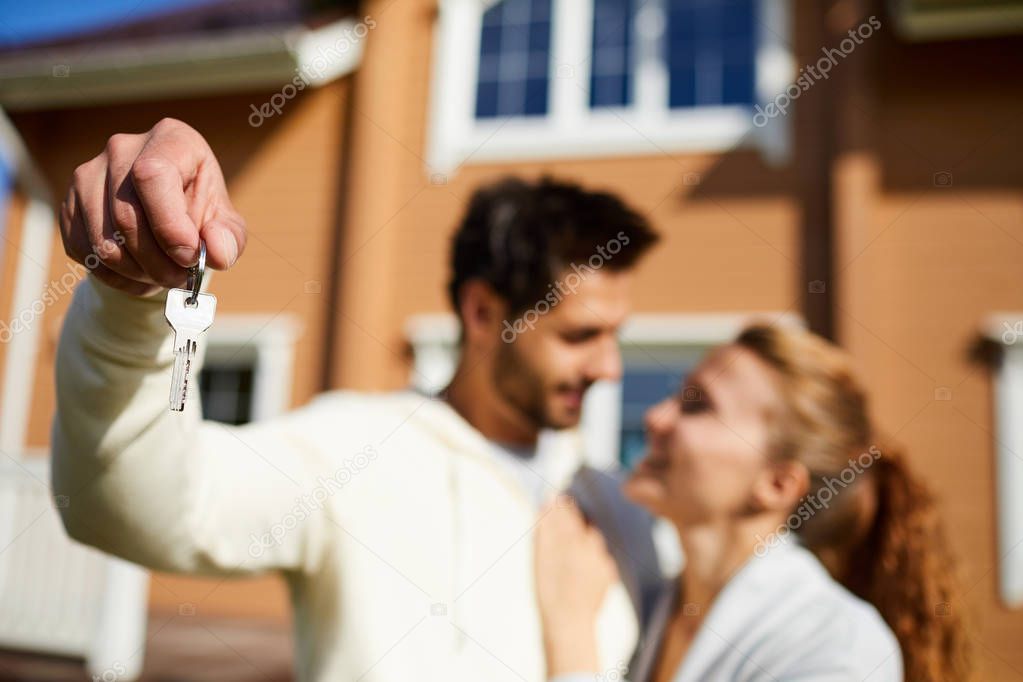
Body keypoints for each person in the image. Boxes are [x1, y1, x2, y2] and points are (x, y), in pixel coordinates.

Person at [51, 119, 664, 681]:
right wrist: (129, 305)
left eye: (615, 337)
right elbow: (130, 506)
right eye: (580, 335)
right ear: (483, 312)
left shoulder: (621, 511)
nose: (609, 368)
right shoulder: (351, 452)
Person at [535, 324, 972, 682]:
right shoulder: (657, 605)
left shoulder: (836, 647)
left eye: (698, 406)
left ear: (778, 484)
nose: (656, 417)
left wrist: (572, 645)